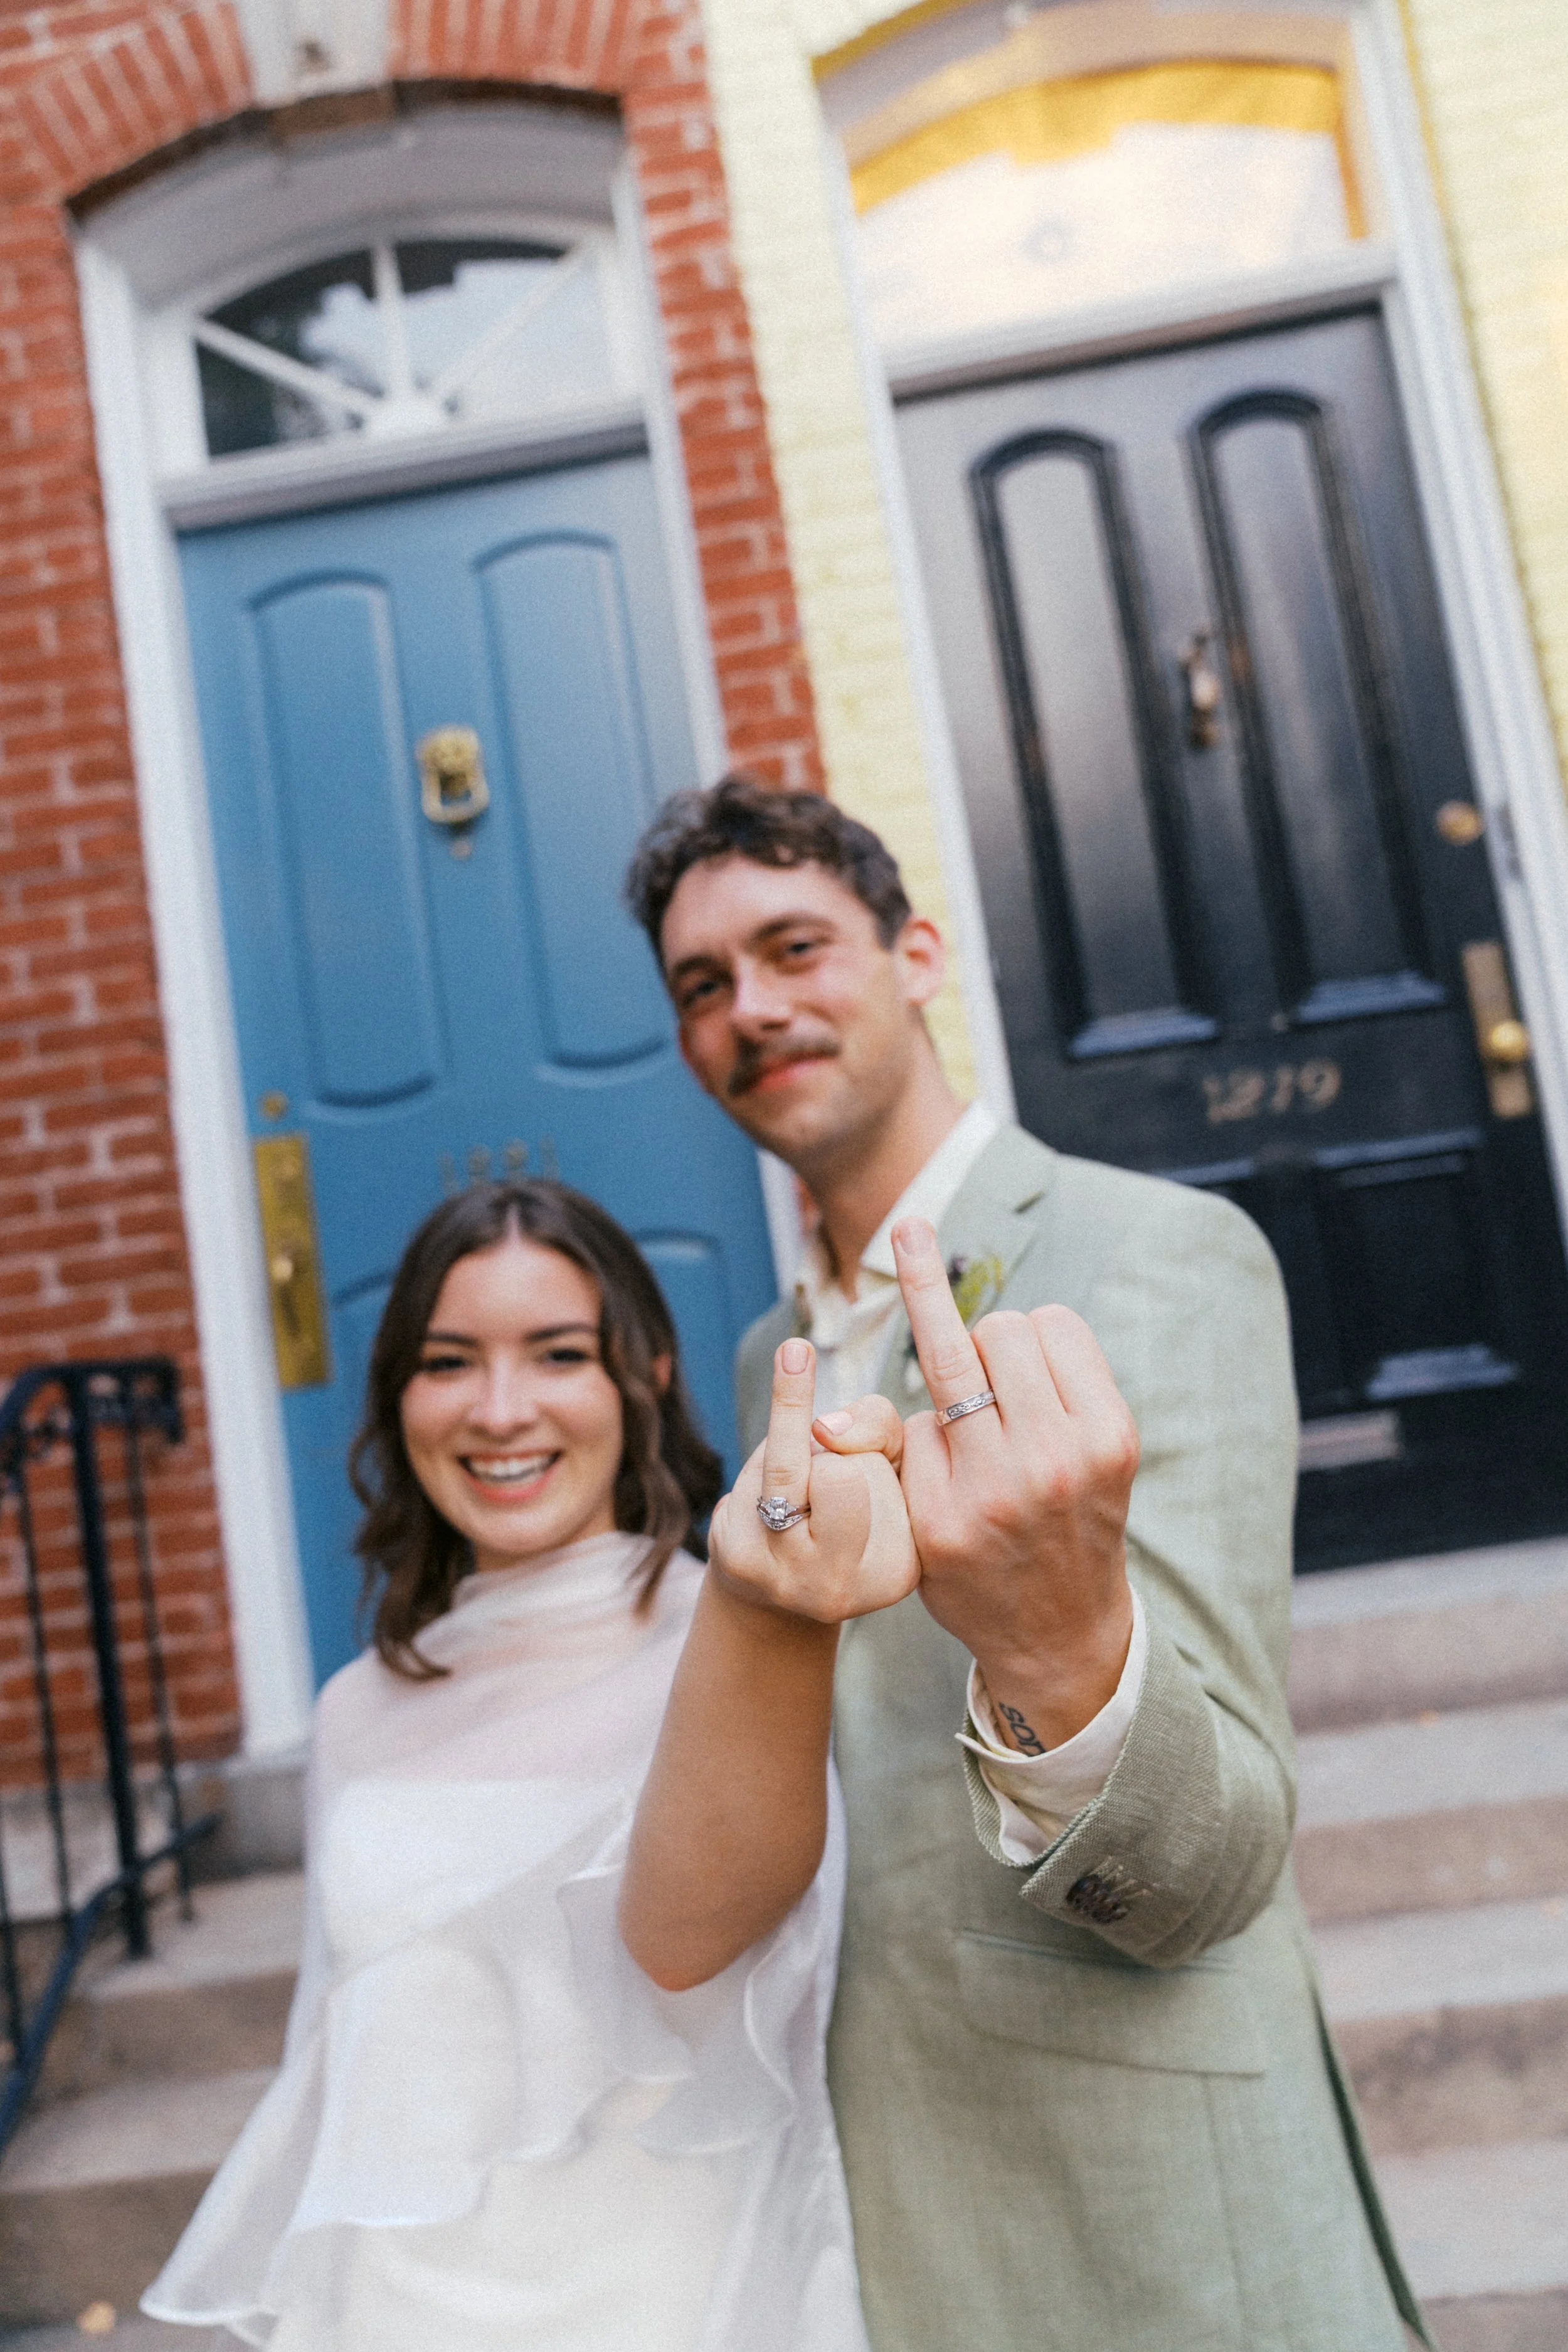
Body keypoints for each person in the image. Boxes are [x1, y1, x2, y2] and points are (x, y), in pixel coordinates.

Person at [619, 776, 1431, 2352]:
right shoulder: (759, 1359)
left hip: (1134, 2195)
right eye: (701, 986)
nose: (752, 1009)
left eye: (794, 947)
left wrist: (1061, 1656)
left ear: (917, 953)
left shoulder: (1151, 1253)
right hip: (856, 2184)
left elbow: (1217, 1852)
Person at [143, 1179, 872, 2352]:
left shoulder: (737, 1640)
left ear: (646, 1376)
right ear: (399, 1396)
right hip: (405, 2303)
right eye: (448, 1361)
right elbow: (331, 2067)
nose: (499, 1408)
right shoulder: (352, 1710)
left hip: (673, 2289)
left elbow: (736, 1965)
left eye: (557, 1354)